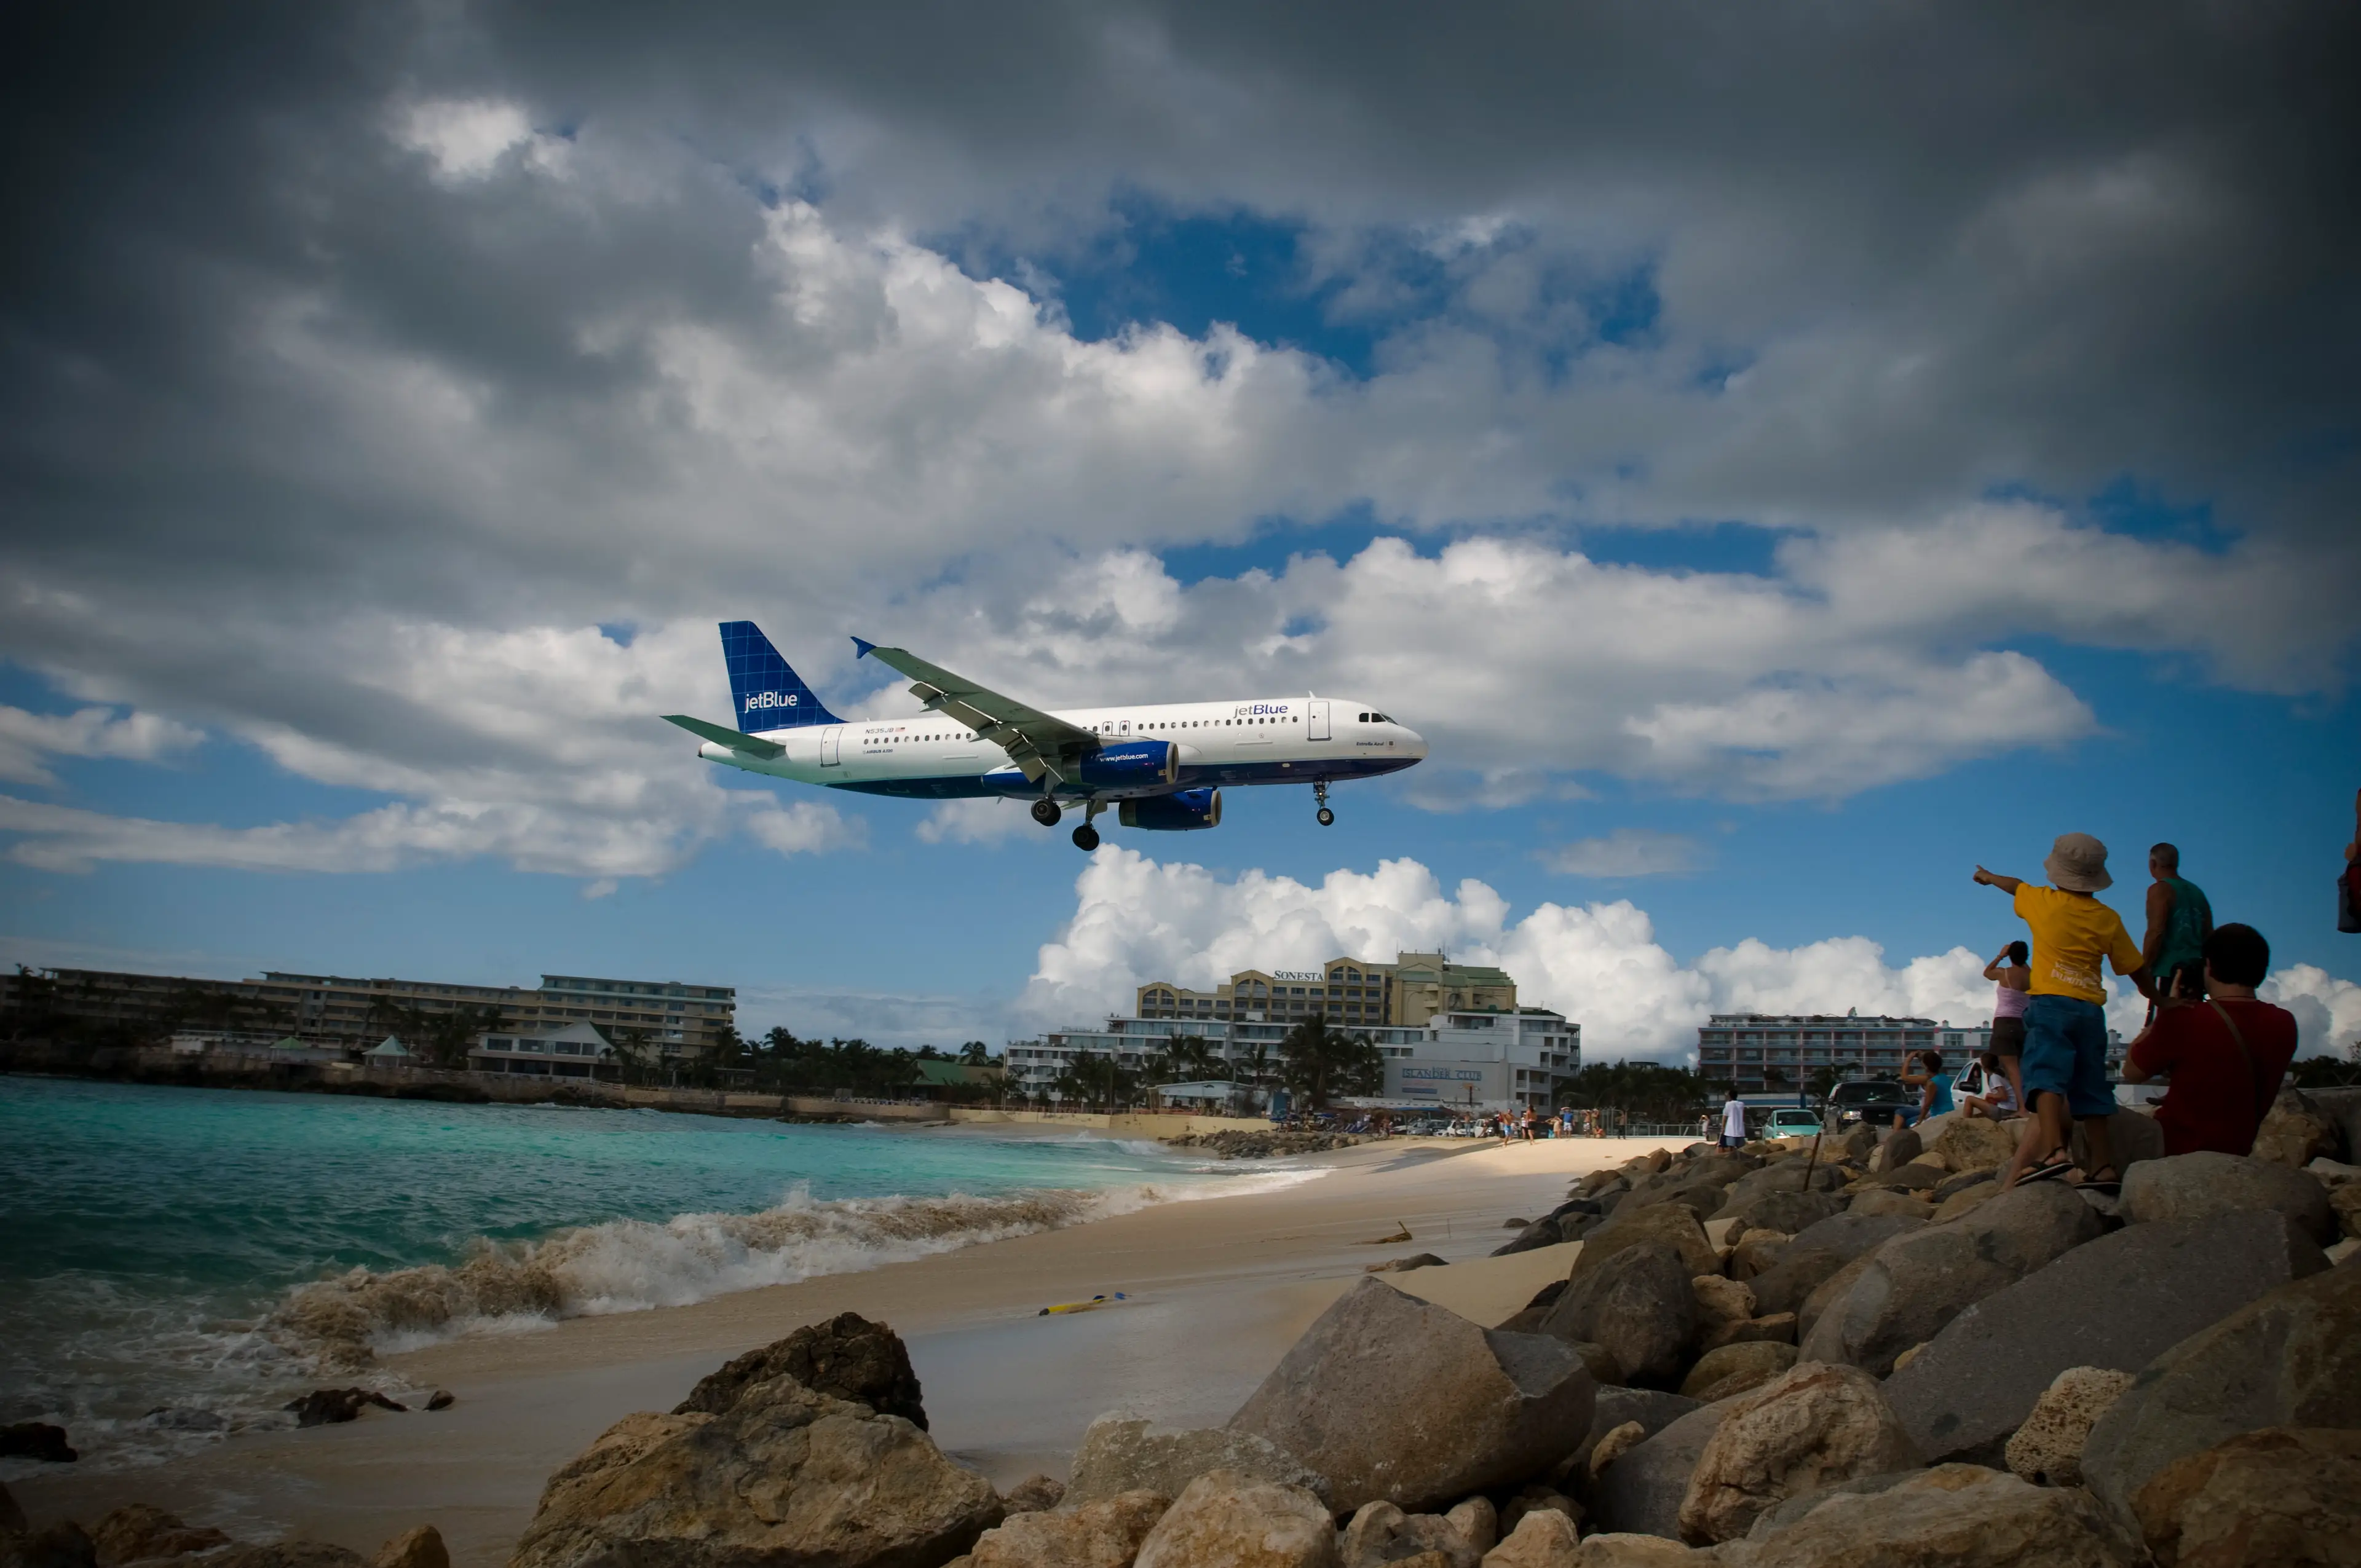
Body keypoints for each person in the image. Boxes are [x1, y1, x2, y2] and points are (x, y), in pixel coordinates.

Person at [1976, 833, 2156, 1190]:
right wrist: (2161, 1001)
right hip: (2090, 1010)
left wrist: (1989, 877)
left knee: (2045, 1078)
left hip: (2050, 1006)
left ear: (2057, 873)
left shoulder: (2043, 901)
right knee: (2091, 1086)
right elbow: (2136, 968)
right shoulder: (2108, 918)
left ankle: (2055, 1150)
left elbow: (2015, 887)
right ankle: (2104, 1167)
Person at [2123, 924, 2299, 1156]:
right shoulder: (2284, 1023)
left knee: (2081, 1111)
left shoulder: (2185, 1019)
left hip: (2173, 1148)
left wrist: (2166, 1011)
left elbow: (2131, 1072)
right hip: (2238, 1149)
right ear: (2263, 970)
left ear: (2209, 966)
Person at [2141, 843, 2214, 1017]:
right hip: (2196, 974)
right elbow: (2210, 936)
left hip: (2169, 972)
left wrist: (2144, 970)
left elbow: (2156, 932)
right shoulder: (2197, 893)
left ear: (2153, 864)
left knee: (2164, 1029)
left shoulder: (2159, 889)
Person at [1983, 940, 2031, 1113]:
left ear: (2010, 955)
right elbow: (2024, 966)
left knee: (2012, 1069)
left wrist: (2001, 956)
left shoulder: (2005, 973)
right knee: (2022, 1066)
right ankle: (2025, 1104)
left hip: (2005, 1022)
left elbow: (1987, 973)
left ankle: (2022, 1107)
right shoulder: (2030, 975)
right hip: (2024, 1024)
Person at [1897, 1050, 1954, 1127]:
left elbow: (1927, 1106)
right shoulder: (1945, 1078)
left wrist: (1909, 1059)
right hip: (1950, 1111)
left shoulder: (1931, 1083)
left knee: (1909, 1123)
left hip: (1938, 1115)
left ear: (1926, 1066)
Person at [1961, 1050, 2019, 1120]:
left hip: (2004, 1110)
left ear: (1984, 1066)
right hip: (2008, 1110)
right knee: (1977, 1117)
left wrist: (1990, 1095)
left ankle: (1964, 1122)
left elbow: (2003, 1096)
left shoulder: (1994, 1077)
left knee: (1969, 1099)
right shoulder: (1998, 1076)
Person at [1720, 1086, 1747, 1150]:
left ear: (1730, 1096)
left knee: (1731, 1148)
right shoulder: (1742, 1104)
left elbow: (1724, 1117)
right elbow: (1743, 1116)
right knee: (1741, 1148)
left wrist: (1723, 1128)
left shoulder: (1728, 1104)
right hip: (1740, 1130)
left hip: (1730, 1130)